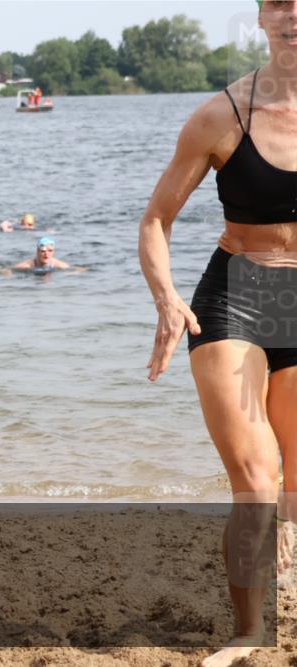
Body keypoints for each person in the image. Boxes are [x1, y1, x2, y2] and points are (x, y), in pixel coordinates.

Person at [138, 2, 296, 665]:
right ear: (261, 17)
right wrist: (167, 298)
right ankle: (248, 632)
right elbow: (156, 219)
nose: (293, 14)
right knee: (256, 481)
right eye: (279, 1)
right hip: (238, 294)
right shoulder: (220, 117)